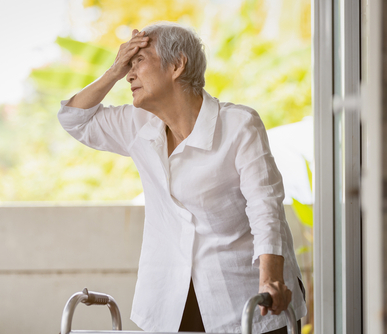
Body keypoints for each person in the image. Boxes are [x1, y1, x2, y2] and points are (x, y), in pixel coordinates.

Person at [58, 22, 306, 333]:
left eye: (138, 61)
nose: (129, 75)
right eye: (127, 64)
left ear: (177, 65)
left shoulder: (239, 126)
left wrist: (271, 279)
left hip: (244, 299)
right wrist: (113, 70)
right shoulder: (137, 125)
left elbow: (265, 206)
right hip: (169, 302)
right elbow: (73, 119)